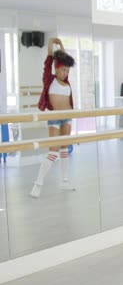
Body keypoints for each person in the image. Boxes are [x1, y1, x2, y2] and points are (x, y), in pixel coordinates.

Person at [30, 38, 76, 198]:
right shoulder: (49, 79)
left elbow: (62, 57)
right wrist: (52, 43)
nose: (66, 73)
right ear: (56, 68)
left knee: (64, 148)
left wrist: (62, 45)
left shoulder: (67, 82)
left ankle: (64, 180)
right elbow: (49, 60)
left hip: (68, 118)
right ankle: (38, 183)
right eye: (63, 70)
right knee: (53, 150)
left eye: (68, 71)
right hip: (55, 118)